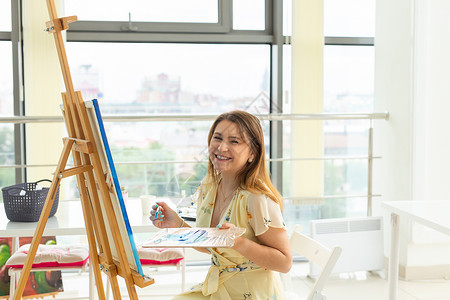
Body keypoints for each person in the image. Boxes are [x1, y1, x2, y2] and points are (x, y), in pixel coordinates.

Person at [150, 110, 292, 300]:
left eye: (234, 141)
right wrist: (178, 224)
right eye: (217, 138)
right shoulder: (209, 188)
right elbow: (212, 246)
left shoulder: (257, 198)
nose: (222, 147)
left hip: (254, 293)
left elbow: (284, 263)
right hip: (219, 289)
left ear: (252, 152)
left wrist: (238, 242)